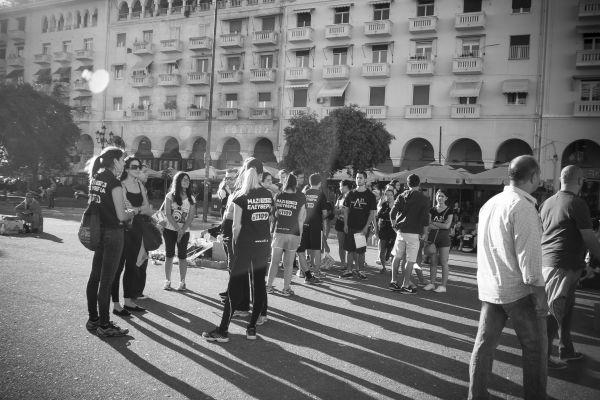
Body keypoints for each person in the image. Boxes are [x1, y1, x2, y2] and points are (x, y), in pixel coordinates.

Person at [468, 155, 548, 400]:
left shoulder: (491, 203)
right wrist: (541, 296)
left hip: (492, 286)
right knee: (535, 349)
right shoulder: (523, 207)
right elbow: (530, 262)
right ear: (533, 177)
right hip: (518, 290)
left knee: (484, 346)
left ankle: (476, 395)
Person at [202, 160, 273, 342]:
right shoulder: (267, 194)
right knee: (258, 286)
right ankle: (252, 328)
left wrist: (235, 248)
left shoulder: (241, 196)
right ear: (259, 173)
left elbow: (235, 227)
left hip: (245, 246)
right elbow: (269, 220)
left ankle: (223, 330)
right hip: (263, 244)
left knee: (234, 287)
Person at [540, 165, 600, 369]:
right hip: (562, 266)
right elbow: (590, 239)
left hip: (552, 263)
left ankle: (566, 348)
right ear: (581, 181)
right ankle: (544, 359)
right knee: (554, 312)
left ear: (560, 179)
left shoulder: (547, 203)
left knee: (565, 310)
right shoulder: (577, 203)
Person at [85, 146, 134, 338]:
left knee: (95, 277)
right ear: (115, 161)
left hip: (98, 231)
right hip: (113, 233)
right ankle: (105, 325)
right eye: (123, 160)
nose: (124, 163)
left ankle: (93, 320)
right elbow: (121, 215)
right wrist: (132, 212)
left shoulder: (96, 178)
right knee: (106, 281)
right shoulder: (113, 182)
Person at [111, 156, 153, 316]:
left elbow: (148, 209)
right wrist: (138, 209)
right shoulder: (120, 185)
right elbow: (123, 211)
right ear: (127, 168)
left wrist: (136, 210)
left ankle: (128, 300)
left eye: (139, 167)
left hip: (137, 230)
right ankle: (116, 304)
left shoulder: (139, 185)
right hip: (123, 230)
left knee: (132, 267)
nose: (138, 169)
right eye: (134, 167)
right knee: (118, 267)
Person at [388, 174, 430, 293]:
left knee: (397, 257)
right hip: (414, 232)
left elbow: (392, 213)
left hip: (401, 231)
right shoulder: (423, 198)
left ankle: (393, 282)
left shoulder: (401, 195)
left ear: (407, 184)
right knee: (410, 260)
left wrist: (394, 226)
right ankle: (405, 285)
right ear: (419, 184)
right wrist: (425, 233)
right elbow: (425, 219)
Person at [266, 174, 306, 296]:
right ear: (295, 184)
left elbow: (272, 217)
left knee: (274, 261)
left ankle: (268, 287)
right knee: (288, 263)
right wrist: (300, 235)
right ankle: (286, 289)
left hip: (279, 232)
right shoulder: (301, 197)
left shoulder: (278, 195)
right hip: (293, 234)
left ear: (285, 182)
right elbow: (301, 219)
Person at [162, 172, 196, 291]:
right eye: (183, 179)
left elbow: (191, 217)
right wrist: (178, 229)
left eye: (188, 179)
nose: (186, 181)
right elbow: (167, 214)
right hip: (170, 230)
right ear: (178, 181)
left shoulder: (191, 198)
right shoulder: (170, 196)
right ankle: (167, 280)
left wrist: (182, 230)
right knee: (169, 254)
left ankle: (182, 282)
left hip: (185, 231)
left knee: (182, 256)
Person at [341, 171, 377, 280]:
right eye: (357, 178)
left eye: (361, 178)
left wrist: (366, 227)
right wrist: (345, 224)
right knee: (350, 250)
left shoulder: (370, 195)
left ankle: (361, 271)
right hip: (350, 226)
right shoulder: (351, 194)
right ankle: (349, 271)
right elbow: (346, 210)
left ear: (365, 180)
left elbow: (372, 213)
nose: (358, 180)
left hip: (361, 228)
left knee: (360, 251)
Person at [297, 173, 328, 282]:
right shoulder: (321, 194)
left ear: (309, 182)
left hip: (303, 224)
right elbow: (324, 213)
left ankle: (303, 271)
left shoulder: (304, 193)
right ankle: (316, 272)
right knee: (316, 249)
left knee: (303, 249)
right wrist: (324, 217)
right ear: (320, 183)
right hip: (315, 225)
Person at [423, 189, 453, 293]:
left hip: (444, 239)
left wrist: (434, 223)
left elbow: (447, 225)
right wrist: (439, 225)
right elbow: (428, 224)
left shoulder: (449, 210)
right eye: (439, 196)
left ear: (446, 198)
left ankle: (443, 286)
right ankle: (432, 283)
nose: (440, 198)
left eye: (442, 196)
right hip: (433, 238)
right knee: (433, 262)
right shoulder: (431, 210)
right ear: (436, 197)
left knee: (444, 262)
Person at [376, 188, 396, 274]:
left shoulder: (397, 205)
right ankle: (383, 267)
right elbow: (379, 215)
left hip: (393, 229)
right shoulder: (384, 205)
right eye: (387, 195)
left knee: (392, 249)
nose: (389, 197)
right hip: (384, 228)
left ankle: (394, 268)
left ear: (393, 196)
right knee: (382, 249)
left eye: (390, 195)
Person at [334, 180, 351, 267]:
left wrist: (342, 211)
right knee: (341, 245)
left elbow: (350, 211)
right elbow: (335, 210)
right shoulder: (340, 197)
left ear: (345, 187)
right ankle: (343, 263)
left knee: (350, 246)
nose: (339, 188)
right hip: (340, 222)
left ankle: (351, 265)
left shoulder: (352, 196)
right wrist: (340, 210)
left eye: (341, 186)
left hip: (350, 223)